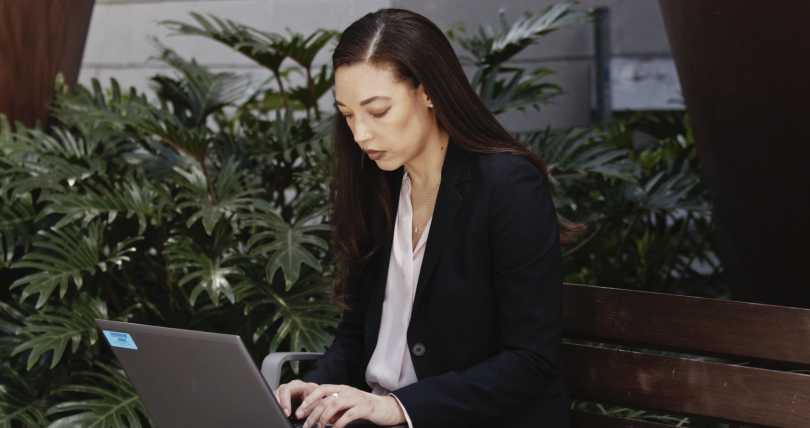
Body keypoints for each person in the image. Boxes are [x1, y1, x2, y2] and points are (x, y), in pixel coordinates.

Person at [273, 8, 583, 428]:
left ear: (429, 92)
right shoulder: (380, 185)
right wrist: (316, 391)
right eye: (347, 115)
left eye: (377, 111)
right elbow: (356, 334)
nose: (360, 134)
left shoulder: (507, 186)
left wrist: (398, 407)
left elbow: (531, 360)